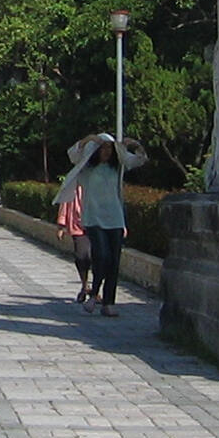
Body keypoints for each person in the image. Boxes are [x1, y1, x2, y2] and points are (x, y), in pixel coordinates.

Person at [55, 132, 148, 316]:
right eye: (102, 148)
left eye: (109, 148)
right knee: (102, 256)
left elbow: (139, 159)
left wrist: (135, 145)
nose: (105, 152)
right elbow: (73, 154)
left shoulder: (117, 167)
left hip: (114, 218)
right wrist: (88, 139)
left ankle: (108, 302)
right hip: (93, 218)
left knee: (114, 260)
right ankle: (94, 292)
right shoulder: (87, 169)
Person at [56, 177, 92, 304]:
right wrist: (61, 225)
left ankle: (96, 290)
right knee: (81, 256)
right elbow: (64, 202)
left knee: (99, 258)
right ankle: (85, 285)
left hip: (96, 224)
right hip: (77, 225)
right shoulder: (72, 181)